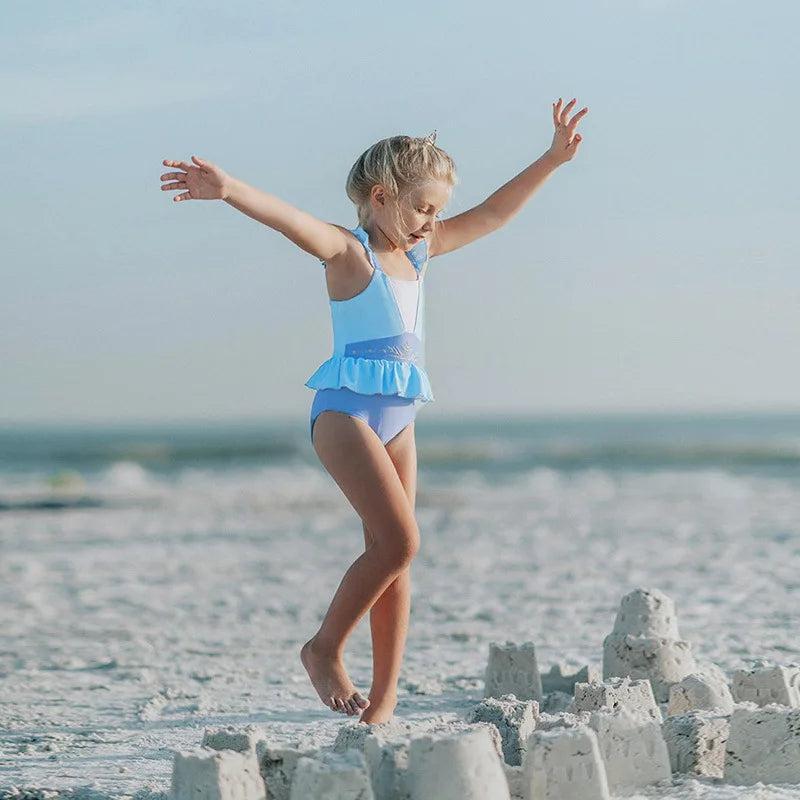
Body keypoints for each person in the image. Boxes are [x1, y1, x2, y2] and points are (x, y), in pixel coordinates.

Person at [159, 97, 588, 724]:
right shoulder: (347, 252)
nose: (431, 222)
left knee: (394, 560)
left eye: (437, 211)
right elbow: (289, 220)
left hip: (401, 419)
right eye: (423, 208)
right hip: (346, 416)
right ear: (382, 195)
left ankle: (382, 703)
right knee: (400, 542)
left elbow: (494, 215)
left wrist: (550, 160)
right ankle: (323, 647)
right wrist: (228, 190)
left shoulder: (419, 253)